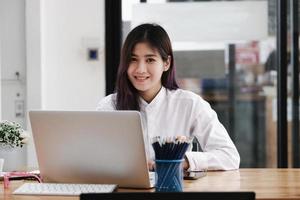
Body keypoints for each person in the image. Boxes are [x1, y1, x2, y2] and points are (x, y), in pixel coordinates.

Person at [96, 23, 240, 171]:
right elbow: (94, 157)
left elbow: (229, 156)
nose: (140, 69)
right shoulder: (109, 106)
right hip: (123, 191)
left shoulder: (190, 103)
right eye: (133, 59)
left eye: (150, 60)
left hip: (174, 190)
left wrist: (182, 162)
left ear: (166, 63)